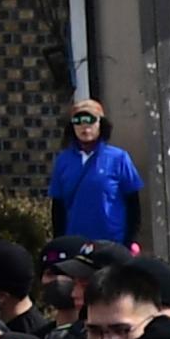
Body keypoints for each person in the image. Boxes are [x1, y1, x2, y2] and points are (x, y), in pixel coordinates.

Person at [50, 101, 146, 244]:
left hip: (113, 243)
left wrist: (129, 241)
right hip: (75, 244)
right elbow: (58, 208)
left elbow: (133, 204)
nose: (84, 126)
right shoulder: (63, 161)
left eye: (90, 120)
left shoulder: (119, 158)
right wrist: (59, 243)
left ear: (101, 124)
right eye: (78, 121)